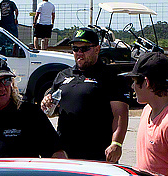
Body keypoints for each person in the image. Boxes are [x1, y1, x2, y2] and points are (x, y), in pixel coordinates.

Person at [41, 26, 128, 162]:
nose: (79, 53)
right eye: (75, 49)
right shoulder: (63, 75)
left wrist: (116, 143)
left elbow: (120, 113)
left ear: (97, 49)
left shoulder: (110, 77)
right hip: (66, 154)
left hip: (97, 153)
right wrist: (46, 103)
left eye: (85, 49)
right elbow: (50, 111)